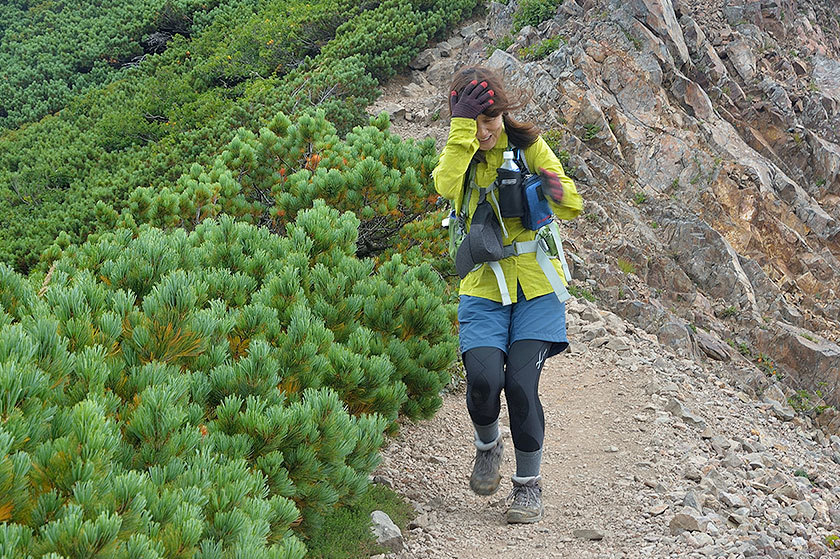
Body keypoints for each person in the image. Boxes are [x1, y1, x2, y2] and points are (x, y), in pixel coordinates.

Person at [432, 66, 582, 524]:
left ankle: (527, 486)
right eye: (472, 122)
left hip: (536, 286)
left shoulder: (528, 147)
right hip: (482, 286)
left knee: (520, 384)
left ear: (503, 113)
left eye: (489, 120)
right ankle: (487, 446)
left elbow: (572, 203)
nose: (483, 132)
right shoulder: (460, 156)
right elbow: (442, 185)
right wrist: (462, 130)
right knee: (482, 383)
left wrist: (548, 189)